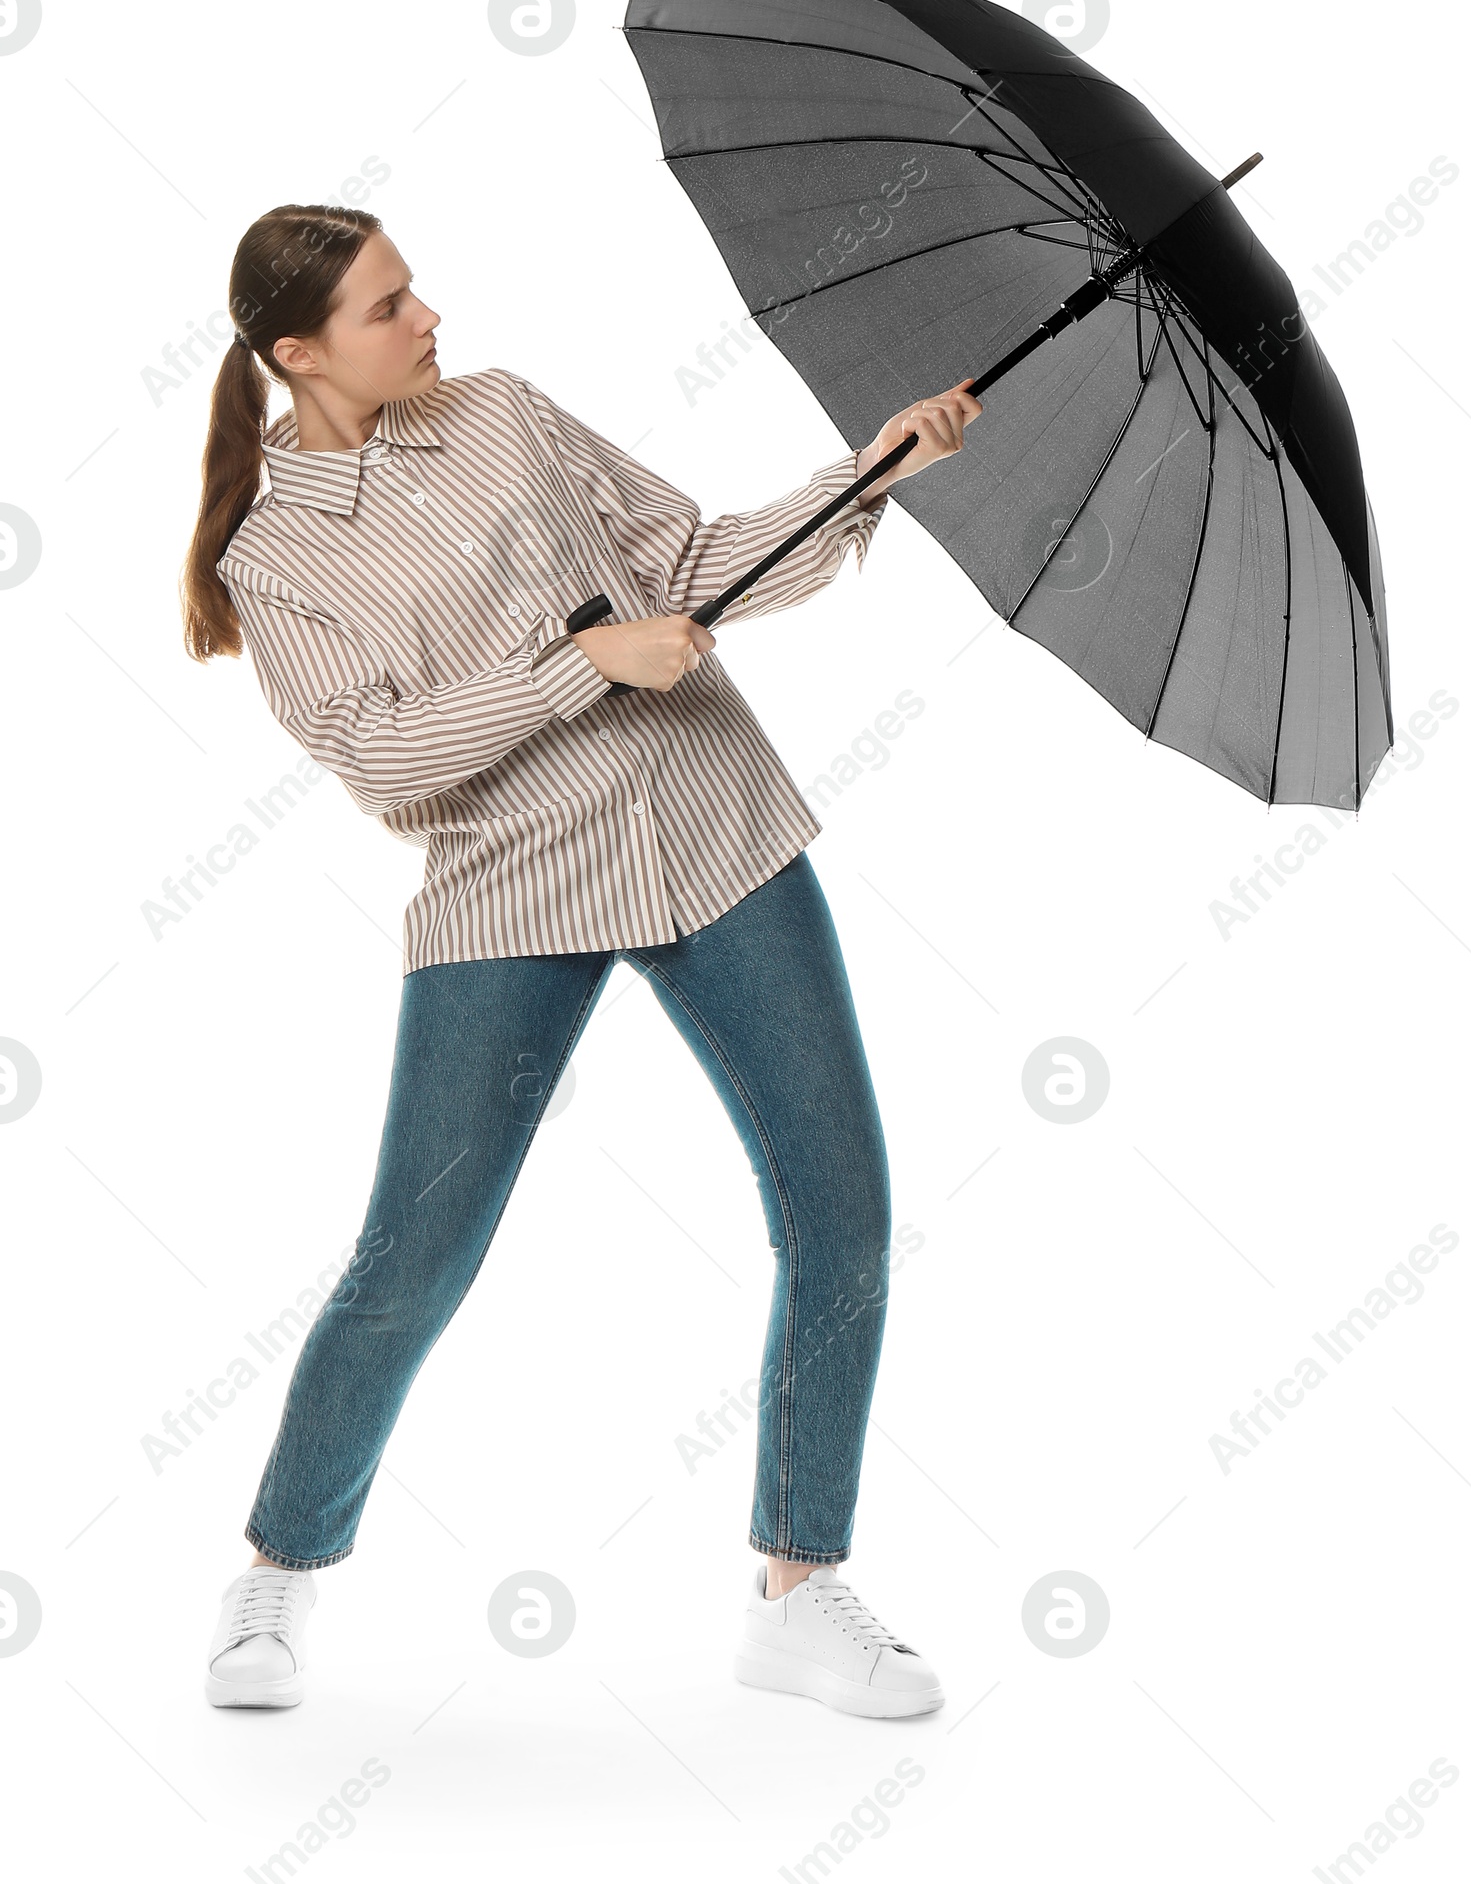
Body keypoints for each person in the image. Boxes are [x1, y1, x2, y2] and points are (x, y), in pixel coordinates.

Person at [180, 202, 981, 1720]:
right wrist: (577, 666)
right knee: (417, 1249)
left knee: (844, 1206)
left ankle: (802, 1589)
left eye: (412, 290)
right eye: (387, 308)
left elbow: (693, 557)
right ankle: (277, 1570)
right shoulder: (274, 557)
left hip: (714, 825)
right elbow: (382, 759)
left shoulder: (507, 413)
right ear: (298, 355)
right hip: (515, 887)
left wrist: (871, 476)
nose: (428, 318)